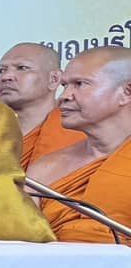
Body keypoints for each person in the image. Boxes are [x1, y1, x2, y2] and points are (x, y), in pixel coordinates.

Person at [29, 47, 131, 242]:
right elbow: (22, 244)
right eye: (65, 86)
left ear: (126, 92)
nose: (64, 96)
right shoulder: (43, 171)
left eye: (80, 84)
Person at [0, 42, 81, 168]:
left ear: (54, 79)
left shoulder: (79, 134)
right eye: (1, 71)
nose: (6, 76)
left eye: (22, 68)